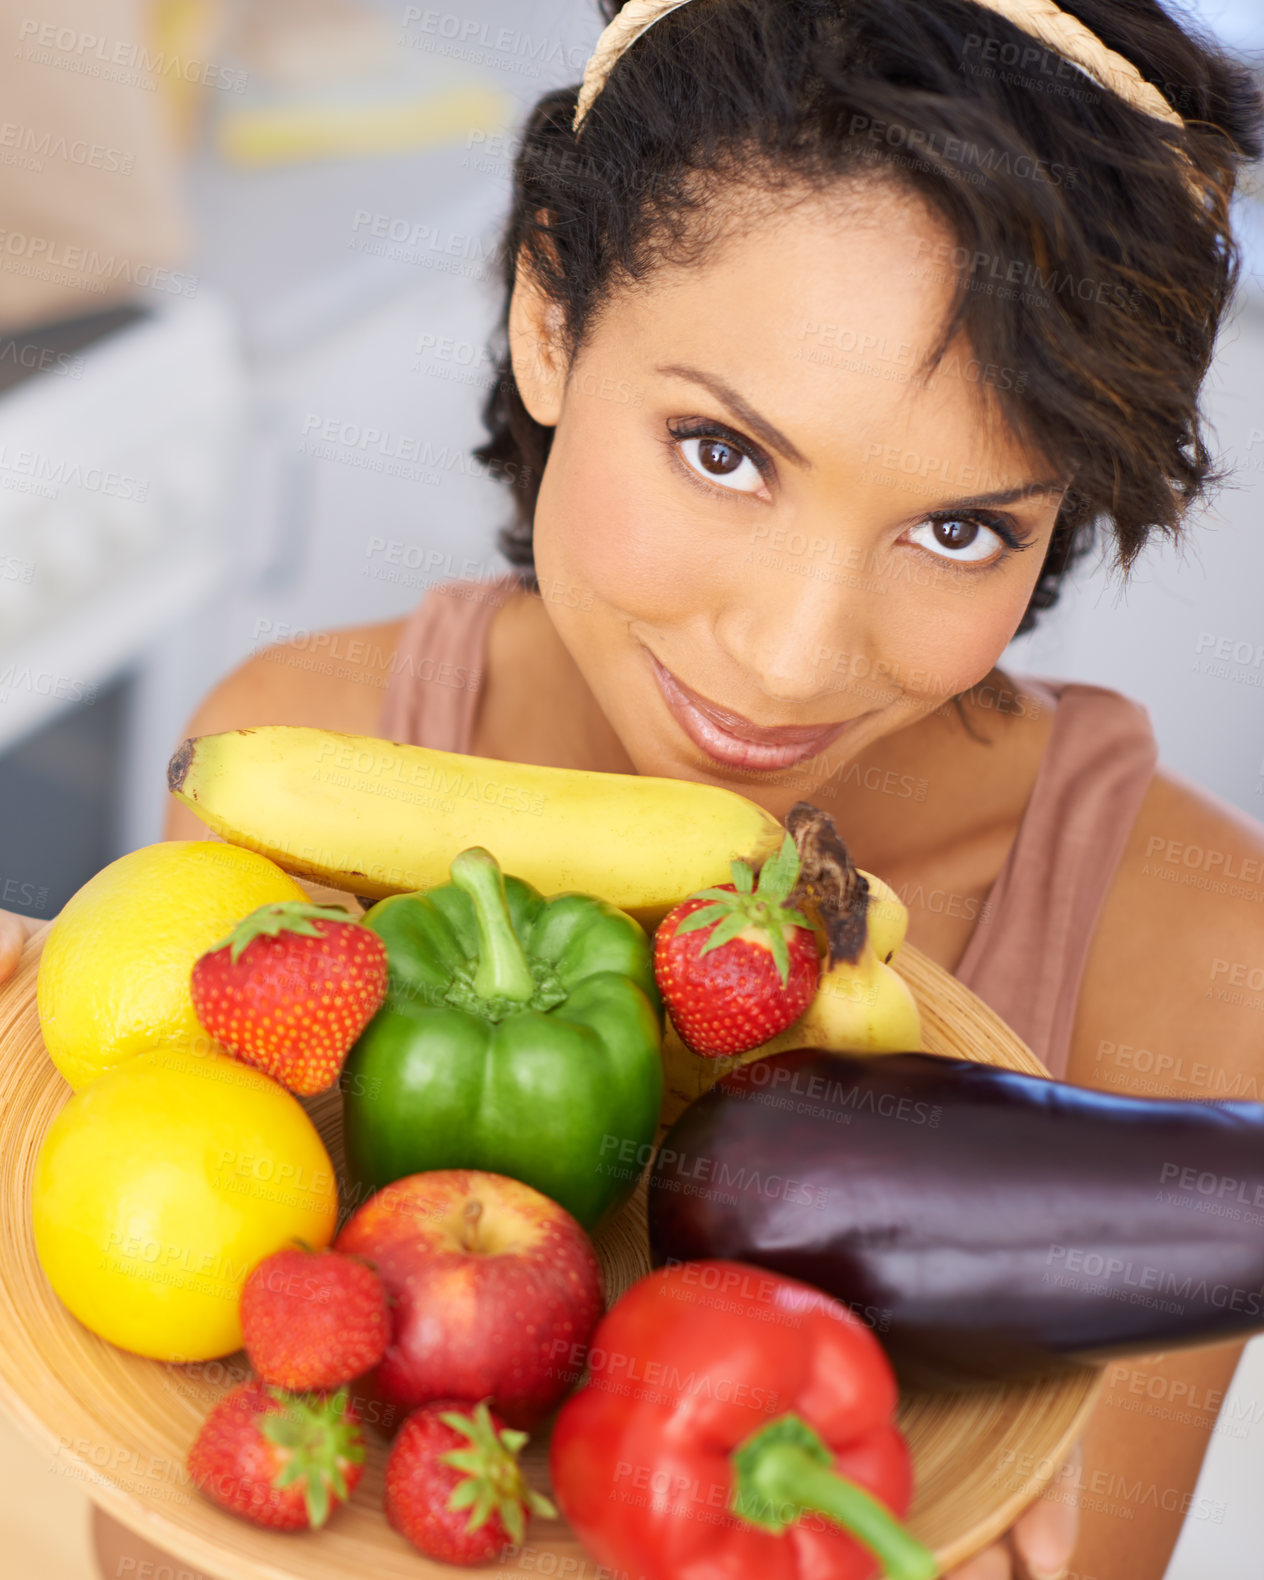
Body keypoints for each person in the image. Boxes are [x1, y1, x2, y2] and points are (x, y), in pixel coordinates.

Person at [22, 0, 1261, 1575]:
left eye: (961, 530)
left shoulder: (1196, 953)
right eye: (723, 450)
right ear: (552, 311)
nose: (795, 658)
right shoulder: (286, 762)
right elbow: (164, 1507)